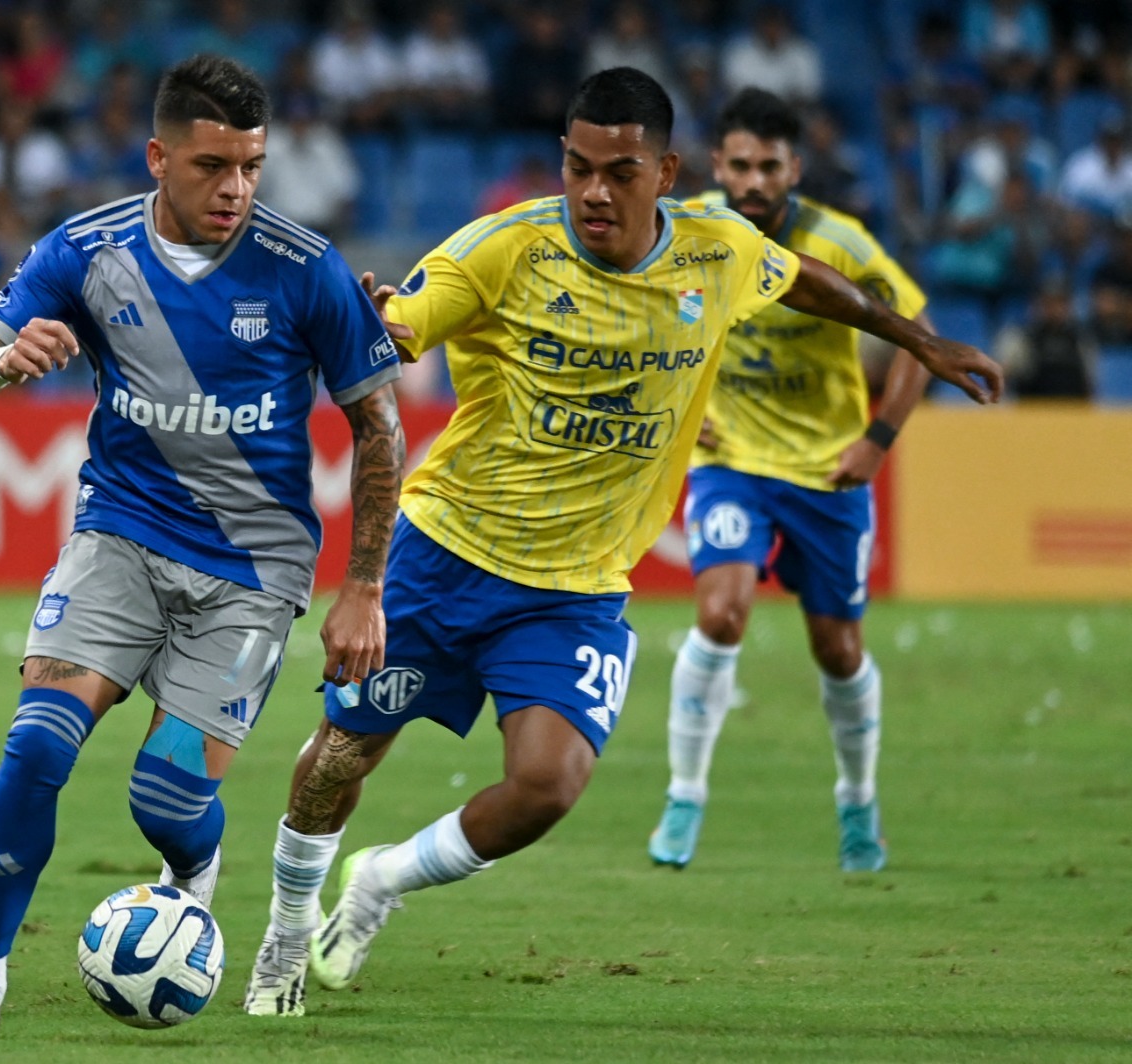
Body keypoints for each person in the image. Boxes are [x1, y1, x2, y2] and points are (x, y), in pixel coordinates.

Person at [241, 66, 1001, 1016]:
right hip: (447, 553)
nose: (595, 191)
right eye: (578, 167)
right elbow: (395, 329)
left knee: (549, 786)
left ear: (668, 173)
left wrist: (916, 342)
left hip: (576, 585)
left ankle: (382, 882)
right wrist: (375, 320)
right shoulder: (504, 248)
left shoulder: (718, 251)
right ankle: (281, 931)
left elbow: (805, 280)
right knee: (344, 756)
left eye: (621, 172)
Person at [0, 54, 404, 1042]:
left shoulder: (303, 266)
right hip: (120, 535)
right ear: (158, 157)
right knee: (37, 744)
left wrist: (363, 585)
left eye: (251, 166)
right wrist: (1, 363)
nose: (234, 187)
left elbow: (381, 428)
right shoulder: (83, 250)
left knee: (167, 793)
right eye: (211, 164)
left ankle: (191, 869)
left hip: (253, 576)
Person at [645, 87, 939, 875]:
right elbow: (632, 323)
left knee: (838, 650)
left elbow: (920, 336)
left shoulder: (840, 243)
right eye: (740, 165)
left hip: (826, 472)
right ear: (718, 166)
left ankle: (856, 799)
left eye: (769, 167)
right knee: (722, 612)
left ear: (794, 169)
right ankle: (685, 794)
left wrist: (878, 440)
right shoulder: (687, 231)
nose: (754, 182)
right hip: (732, 464)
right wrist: (673, 405)